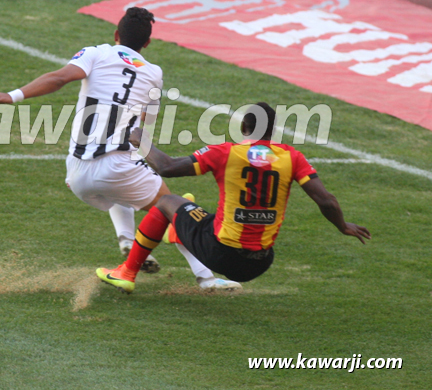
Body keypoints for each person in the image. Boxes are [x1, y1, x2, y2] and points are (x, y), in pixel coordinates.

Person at [0, 7, 239, 289]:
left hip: (77, 175)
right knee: (172, 207)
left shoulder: (96, 53)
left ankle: (126, 239)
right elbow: (147, 121)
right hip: (118, 167)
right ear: (147, 43)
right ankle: (205, 279)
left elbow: (59, 78)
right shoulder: (153, 73)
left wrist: (13, 95)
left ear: (116, 34)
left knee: (121, 191)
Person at [97, 102, 371, 293]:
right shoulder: (292, 157)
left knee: (168, 202)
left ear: (244, 128)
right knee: (198, 212)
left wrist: (141, 141)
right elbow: (326, 201)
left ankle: (127, 272)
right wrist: (343, 226)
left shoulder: (226, 152)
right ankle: (177, 232)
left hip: (221, 254)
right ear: (274, 130)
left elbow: (167, 167)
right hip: (260, 263)